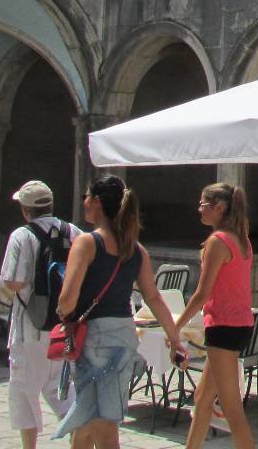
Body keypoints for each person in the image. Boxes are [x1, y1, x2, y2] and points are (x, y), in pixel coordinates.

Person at [53, 175, 184, 448]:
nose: (84, 202)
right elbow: (154, 298)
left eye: (86, 197)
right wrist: (175, 340)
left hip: (95, 337)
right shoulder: (136, 249)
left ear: (96, 202)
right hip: (124, 333)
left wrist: (64, 314)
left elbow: (67, 300)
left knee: (100, 422)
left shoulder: (87, 243)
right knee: (91, 416)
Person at [0, 180, 82, 449]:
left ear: (26, 211)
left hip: (30, 328)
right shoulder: (73, 232)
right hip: (64, 327)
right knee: (63, 391)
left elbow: (12, 282)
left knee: (24, 393)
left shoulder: (21, 236)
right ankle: (78, 443)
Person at [173, 182, 257, 449]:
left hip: (223, 326)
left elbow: (201, 294)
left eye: (203, 204)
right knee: (203, 398)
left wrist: (175, 327)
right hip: (239, 324)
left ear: (219, 207)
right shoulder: (242, 241)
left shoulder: (217, 242)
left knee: (232, 408)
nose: (199, 209)